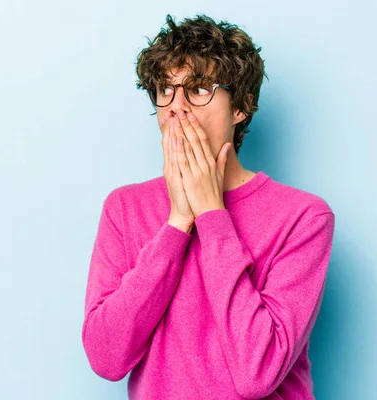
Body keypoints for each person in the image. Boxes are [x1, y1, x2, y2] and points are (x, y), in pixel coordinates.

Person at [81, 13, 335, 400]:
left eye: (198, 89)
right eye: (165, 89)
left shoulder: (303, 218)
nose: (176, 107)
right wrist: (178, 222)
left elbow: (258, 373)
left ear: (241, 107)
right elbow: (106, 358)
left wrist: (212, 215)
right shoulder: (124, 208)